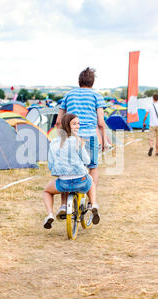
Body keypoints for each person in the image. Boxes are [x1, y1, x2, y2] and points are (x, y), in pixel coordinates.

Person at [55, 67, 107, 215]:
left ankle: (64, 205)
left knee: (66, 169)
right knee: (93, 167)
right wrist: (103, 141)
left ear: (79, 81)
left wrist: (61, 139)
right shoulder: (97, 96)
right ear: (93, 82)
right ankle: (92, 202)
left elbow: (59, 121)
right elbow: (101, 122)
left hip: (70, 137)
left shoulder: (68, 95)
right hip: (90, 136)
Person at [42, 113, 99, 229]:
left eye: (78, 124)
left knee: (47, 191)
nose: (77, 126)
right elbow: (87, 161)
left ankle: (50, 214)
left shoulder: (54, 143)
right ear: (67, 126)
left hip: (63, 183)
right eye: (74, 124)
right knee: (91, 182)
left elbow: (51, 164)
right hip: (81, 180)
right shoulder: (77, 141)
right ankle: (93, 205)